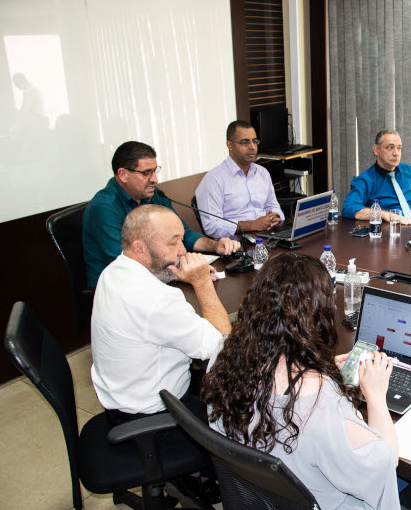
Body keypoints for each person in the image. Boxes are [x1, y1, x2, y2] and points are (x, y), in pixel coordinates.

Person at [202, 253, 402, 510]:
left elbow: (273, 376)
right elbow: (387, 461)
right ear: (320, 314)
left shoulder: (225, 353)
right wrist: (376, 396)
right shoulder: (321, 400)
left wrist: (311, 367)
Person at [91, 204, 231, 423]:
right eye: (172, 242)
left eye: (181, 240)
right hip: (160, 415)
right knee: (241, 390)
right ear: (140, 248)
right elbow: (223, 346)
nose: (182, 251)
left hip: (124, 399)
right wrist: (202, 282)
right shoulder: (157, 300)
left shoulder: (112, 272)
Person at [84, 140, 238, 287]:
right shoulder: (104, 207)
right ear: (123, 174)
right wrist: (182, 275)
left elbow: (183, 234)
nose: (155, 179)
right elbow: (126, 261)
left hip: (154, 277)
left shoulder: (154, 196)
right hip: (118, 288)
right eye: (146, 173)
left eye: (155, 171)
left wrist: (215, 245)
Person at [341, 129, 411, 225]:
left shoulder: (409, 172)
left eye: (399, 148)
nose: (396, 153)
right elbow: (348, 208)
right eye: (390, 148)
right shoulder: (365, 180)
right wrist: (385, 215)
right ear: (376, 150)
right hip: (390, 236)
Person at [195, 120, 284, 236]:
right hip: (236, 242)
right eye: (245, 142)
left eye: (255, 141)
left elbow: (273, 206)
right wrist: (252, 225)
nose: (252, 147)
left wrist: (276, 217)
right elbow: (212, 226)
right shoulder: (213, 179)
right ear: (230, 145)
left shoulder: (262, 173)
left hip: (268, 235)